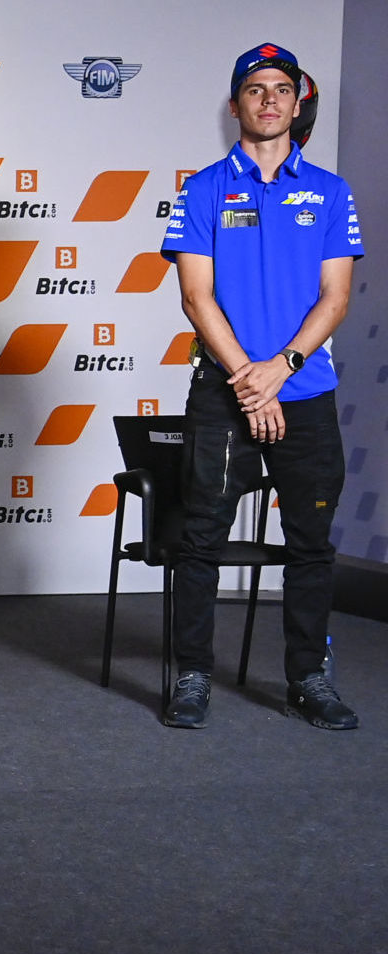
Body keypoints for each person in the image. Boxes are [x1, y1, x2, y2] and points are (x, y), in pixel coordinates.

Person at [159, 43, 362, 730]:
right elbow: (196, 296)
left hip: (304, 391)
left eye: (281, 88)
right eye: (255, 88)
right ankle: (191, 674)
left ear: (297, 102)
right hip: (224, 395)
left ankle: (308, 677)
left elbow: (335, 297)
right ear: (235, 104)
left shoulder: (331, 191)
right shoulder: (202, 188)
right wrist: (250, 380)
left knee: (310, 543)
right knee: (201, 537)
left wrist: (281, 371)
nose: (269, 99)